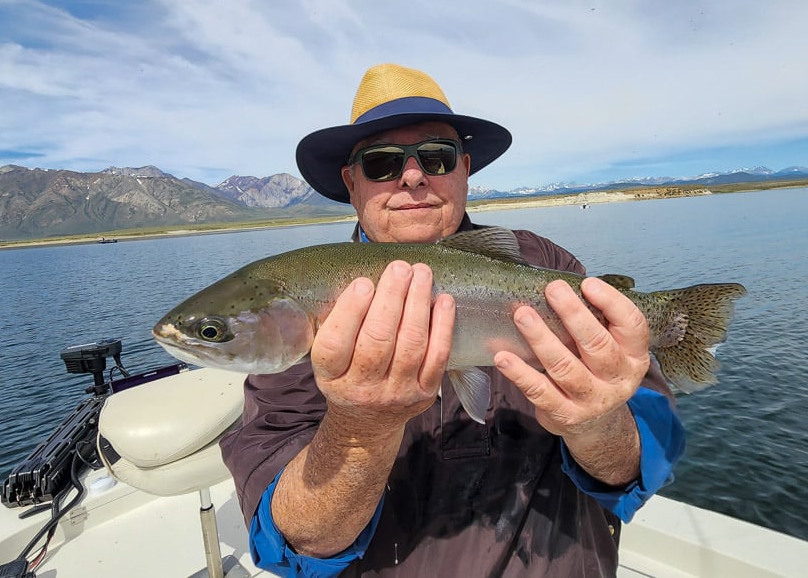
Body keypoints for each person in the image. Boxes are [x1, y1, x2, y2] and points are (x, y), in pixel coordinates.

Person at [220, 63, 685, 576]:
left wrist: (599, 422)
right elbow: (291, 540)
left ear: (464, 169)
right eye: (381, 164)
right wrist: (360, 432)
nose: (413, 175)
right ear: (352, 184)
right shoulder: (302, 309)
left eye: (437, 158)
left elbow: (642, 463)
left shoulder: (547, 267)